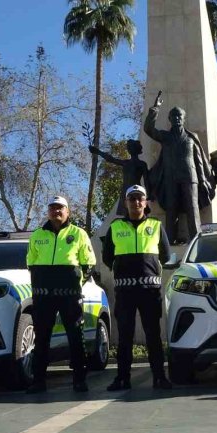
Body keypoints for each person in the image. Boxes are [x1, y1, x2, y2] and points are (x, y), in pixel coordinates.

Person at [101, 185, 172, 390]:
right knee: (125, 336)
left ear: (146, 202)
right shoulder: (115, 227)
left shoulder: (156, 226)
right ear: (126, 203)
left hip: (150, 292)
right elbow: (107, 258)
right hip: (125, 293)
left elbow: (165, 256)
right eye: (132, 199)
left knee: (153, 336)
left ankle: (159, 377)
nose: (136, 202)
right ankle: (123, 378)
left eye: (140, 198)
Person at [25, 196, 96, 393]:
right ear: (48, 211)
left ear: (68, 212)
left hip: (69, 295)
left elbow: (88, 263)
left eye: (60, 208)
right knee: (41, 338)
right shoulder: (37, 235)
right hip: (43, 296)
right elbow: (31, 262)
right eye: (53, 208)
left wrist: (74, 284)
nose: (56, 212)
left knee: (75, 335)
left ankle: (80, 380)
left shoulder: (79, 234)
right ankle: (38, 382)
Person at [143, 92, 214, 244]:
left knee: (192, 209)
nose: (176, 118)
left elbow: (199, 160)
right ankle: (169, 241)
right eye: (173, 116)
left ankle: (196, 240)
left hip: (190, 176)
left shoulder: (191, 137)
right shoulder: (165, 137)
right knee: (171, 210)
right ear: (169, 119)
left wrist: (202, 179)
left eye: (179, 116)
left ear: (183, 118)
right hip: (170, 178)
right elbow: (149, 129)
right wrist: (155, 108)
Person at [88, 140, 148, 216]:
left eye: (131, 147)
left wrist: (149, 194)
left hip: (136, 191)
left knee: (137, 213)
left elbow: (146, 181)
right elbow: (111, 159)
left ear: (135, 149)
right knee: (126, 215)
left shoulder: (142, 164)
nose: (129, 149)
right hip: (125, 191)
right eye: (129, 148)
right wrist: (98, 152)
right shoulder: (126, 163)